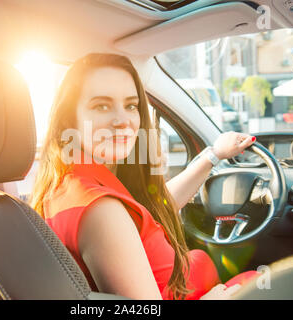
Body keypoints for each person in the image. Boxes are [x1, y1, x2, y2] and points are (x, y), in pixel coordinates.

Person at [30, 53, 258, 300]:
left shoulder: (70, 180)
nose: (122, 121)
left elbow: (156, 209)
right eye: (101, 106)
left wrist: (213, 155)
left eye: (130, 105)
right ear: (68, 118)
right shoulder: (101, 209)